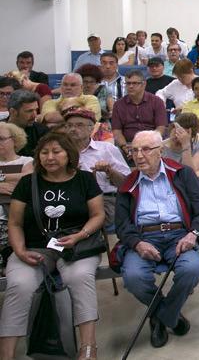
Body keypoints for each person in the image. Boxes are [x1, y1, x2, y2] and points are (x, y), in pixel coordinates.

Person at [0, 131, 105, 360]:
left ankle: (88, 348)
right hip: (33, 247)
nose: (50, 157)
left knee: (80, 278)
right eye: (44, 153)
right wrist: (19, 251)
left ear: (69, 154)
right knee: (19, 284)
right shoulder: (28, 183)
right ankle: (6, 354)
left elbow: (98, 215)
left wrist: (79, 235)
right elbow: (15, 223)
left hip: (76, 247)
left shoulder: (84, 180)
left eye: (56, 151)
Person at [116, 130, 199, 349]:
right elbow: (122, 225)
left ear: (161, 151)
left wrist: (193, 234)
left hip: (180, 235)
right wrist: (137, 243)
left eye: (146, 149)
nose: (139, 155)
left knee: (192, 269)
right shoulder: (128, 183)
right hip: (143, 237)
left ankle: (160, 317)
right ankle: (171, 316)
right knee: (133, 276)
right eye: (134, 150)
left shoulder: (182, 173)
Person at [63, 106, 130, 224]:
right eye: (69, 125)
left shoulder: (106, 148)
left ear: (91, 128)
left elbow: (126, 183)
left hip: (106, 201)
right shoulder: (60, 152)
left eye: (79, 125)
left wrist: (109, 170)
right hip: (70, 202)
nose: (73, 129)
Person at [0, 123, 33, 266]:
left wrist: (1, 178)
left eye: (1, 138)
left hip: (16, 214)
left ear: (14, 140)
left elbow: (27, 178)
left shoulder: (26, 160)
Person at [111, 70, 169, 151]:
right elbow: (117, 131)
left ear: (144, 84)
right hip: (128, 144)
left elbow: (161, 127)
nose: (130, 86)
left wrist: (147, 144)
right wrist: (124, 146)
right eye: (128, 83)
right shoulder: (118, 104)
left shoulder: (157, 101)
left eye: (135, 83)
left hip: (151, 144)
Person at [5, 90, 47, 157]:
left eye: (36, 110)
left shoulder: (41, 131)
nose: (34, 115)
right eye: (29, 111)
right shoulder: (1, 131)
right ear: (13, 112)